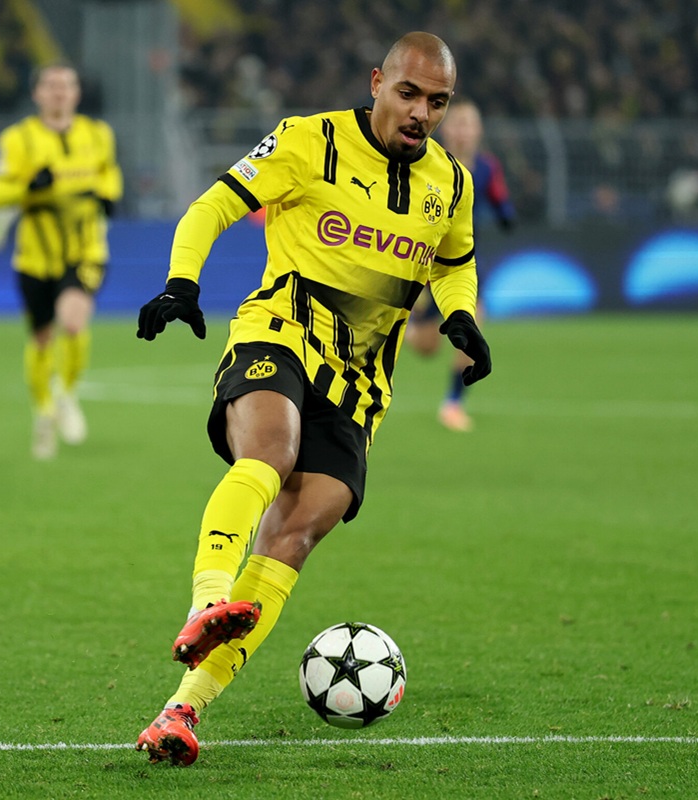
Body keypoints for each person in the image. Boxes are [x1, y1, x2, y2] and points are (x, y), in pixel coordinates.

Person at [133, 31, 491, 767]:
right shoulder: (309, 142)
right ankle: (205, 605)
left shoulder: (451, 184)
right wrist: (182, 282)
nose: (423, 112)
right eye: (410, 94)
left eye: (438, 102)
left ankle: (181, 712)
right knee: (271, 450)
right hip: (281, 332)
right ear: (376, 84)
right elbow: (211, 208)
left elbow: (456, 262)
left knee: (295, 533)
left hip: (361, 384)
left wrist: (461, 317)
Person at [0, 62, 123, 459]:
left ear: (77, 93)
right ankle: (44, 412)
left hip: (85, 250)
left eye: (67, 85)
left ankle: (67, 394)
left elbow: (109, 174)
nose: (60, 92)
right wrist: (30, 185)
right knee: (42, 337)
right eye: (51, 85)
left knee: (73, 321)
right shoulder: (18, 139)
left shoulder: (98, 135)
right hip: (35, 257)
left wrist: (109, 196)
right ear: (37, 94)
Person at [403, 98, 513, 432]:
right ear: (446, 128)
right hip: (425, 267)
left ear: (478, 131)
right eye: (458, 123)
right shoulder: (427, 161)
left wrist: (506, 213)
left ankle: (452, 404)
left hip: (461, 267)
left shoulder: (486, 167)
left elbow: (500, 201)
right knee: (427, 347)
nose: (464, 131)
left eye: (470, 124)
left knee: (472, 326)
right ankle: (405, 331)